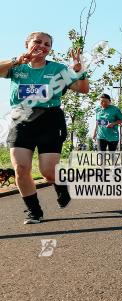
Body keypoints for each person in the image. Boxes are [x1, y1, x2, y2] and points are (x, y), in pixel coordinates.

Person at [1, 31, 89, 224]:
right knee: (21, 169)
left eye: (47, 44)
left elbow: (83, 89)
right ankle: (34, 211)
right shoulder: (17, 67)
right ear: (27, 43)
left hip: (50, 119)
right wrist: (16, 61)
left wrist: (81, 71)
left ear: (50, 49)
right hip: (21, 119)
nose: (42, 46)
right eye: (37, 42)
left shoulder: (58, 69)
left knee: (48, 172)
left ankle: (60, 185)